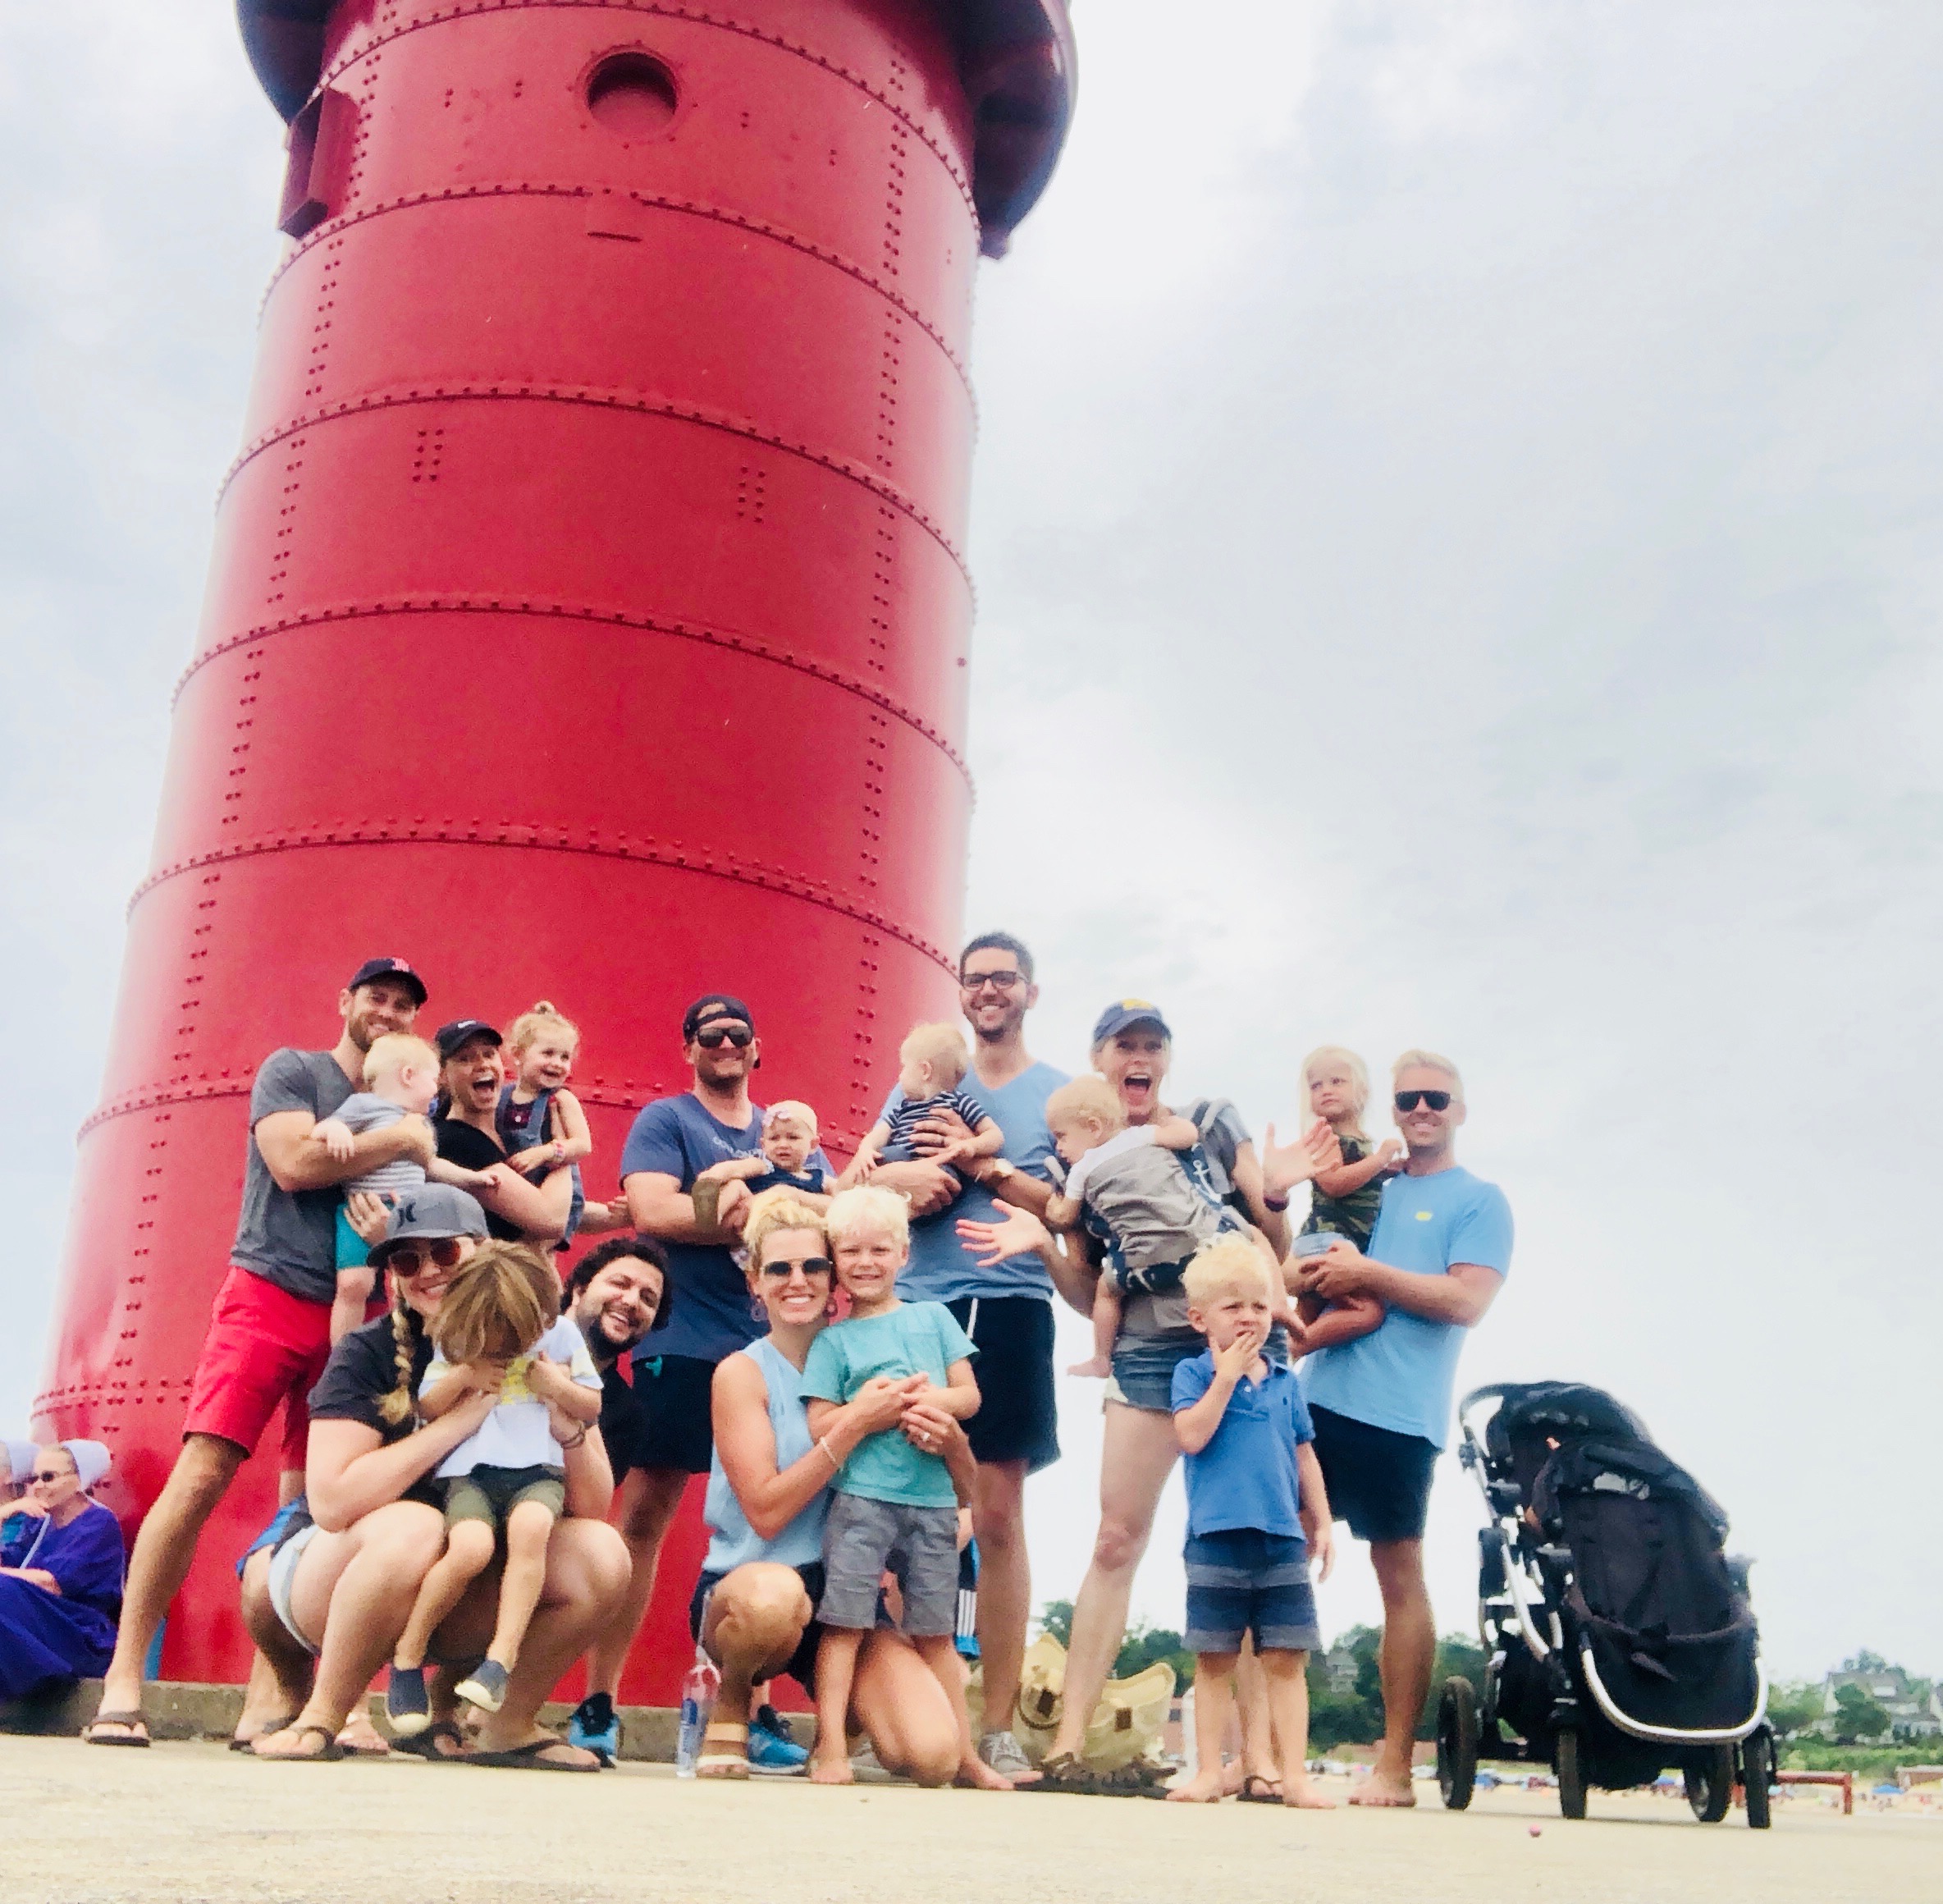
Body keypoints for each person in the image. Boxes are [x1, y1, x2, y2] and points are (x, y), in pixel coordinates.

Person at [957, 999, 1334, 1797]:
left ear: (1165, 1059)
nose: (1138, 1058)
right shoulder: (1077, 1160)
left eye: (1151, 1046)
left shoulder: (1205, 1121)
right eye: (1123, 1045)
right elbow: (1089, 1286)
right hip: (1142, 1355)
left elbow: (1272, 1247)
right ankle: (1062, 1747)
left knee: (1248, 1541)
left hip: (1235, 1346)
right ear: (1098, 1061)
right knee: (1114, 1541)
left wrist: (1277, 1198)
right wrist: (1042, 1244)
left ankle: (1259, 1763)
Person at [85, 956, 432, 1748]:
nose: (389, 1012)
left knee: (312, 1507)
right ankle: (124, 1678)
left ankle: (272, 1699)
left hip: (357, 1317)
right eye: (377, 997)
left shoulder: (411, 1098)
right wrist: (404, 1139)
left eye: (403, 1005)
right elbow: (294, 1162)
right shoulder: (296, 1070)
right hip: (267, 1293)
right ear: (345, 1001)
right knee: (202, 1471)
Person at [237, 1186, 626, 1767]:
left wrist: (560, 1410)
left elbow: (593, 1505)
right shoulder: (369, 1352)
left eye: (444, 1253)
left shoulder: (542, 1342)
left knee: (603, 1553)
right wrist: (458, 1419)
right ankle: (323, 1715)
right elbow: (333, 1503)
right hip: (333, 1579)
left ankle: (507, 1725)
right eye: (405, 1260)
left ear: (482, 1250)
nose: (427, 1272)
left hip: (455, 1583)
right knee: (417, 1526)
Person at [597, 995, 832, 1742]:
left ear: (757, 1049)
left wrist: (753, 1200)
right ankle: (600, 1700)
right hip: (684, 1339)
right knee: (643, 1515)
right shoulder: (667, 1121)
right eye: (710, 1035)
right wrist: (773, 1210)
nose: (725, 1044)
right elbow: (652, 1212)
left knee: (766, 1522)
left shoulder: (792, 1135)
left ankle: (751, 1709)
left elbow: (830, 1224)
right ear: (688, 1048)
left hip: (778, 1354)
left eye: (738, 1035)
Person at [871, 931, 1076, 1781]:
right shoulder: (917, 1078)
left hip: (1013, 1304)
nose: (988, 990)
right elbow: (859, 1181)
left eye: (1004, 978)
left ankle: (993, 1723)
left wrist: (991, 1171)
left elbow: (1071, 1205)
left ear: (1031, 990)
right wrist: (905, 1181)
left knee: (995, 1517)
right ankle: (896, 1717)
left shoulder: (1060, 1092)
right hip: (916, 1305)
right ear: (959, 991)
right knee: (890, 1511)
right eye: (975, 977)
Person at [686, 1192, 971, 1786]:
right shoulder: (741, 1372)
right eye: (779, 1269)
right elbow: (765, 1512)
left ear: (835, 1273)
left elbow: (962, 1491)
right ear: (755, 1283)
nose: (799, 1281)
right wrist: (854, 1425)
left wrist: (951, 1442)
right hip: (754, 1579)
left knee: (933, 1756)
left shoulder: (869, 1352)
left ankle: (847, 1725)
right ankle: (736, 1701)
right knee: (771, 1599)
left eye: (813, 1266)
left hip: (845, 1593)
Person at [1296, 1050, 1512, 1808]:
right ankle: (1264, 1757)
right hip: (1315, 1400)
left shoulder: (1481, 1200)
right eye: (1409, 1098)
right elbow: (1305, 1257)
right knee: (1271, 1560)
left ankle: (1393, 1765)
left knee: (1399, 1577)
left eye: (1437, 1099)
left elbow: (1465, 1302)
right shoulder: (1365, 1183)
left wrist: (1370, 1278)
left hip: (1401, 1417)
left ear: (1459, 1110)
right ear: (1391, 1109)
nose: (1423, 1109)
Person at [799, 1186, 997, 1789]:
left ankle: (965, 1755)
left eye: (879, 1250)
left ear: (904, 1254)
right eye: (851, 1251)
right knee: (845, 1626)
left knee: (937, 1634)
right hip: (862, 1500)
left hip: (934, 1503)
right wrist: (869, 1409)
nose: (865, 1263)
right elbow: (819, 1424)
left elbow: (969, 1396)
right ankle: (829, 1744)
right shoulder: (833, 1341)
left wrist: (925, 1401)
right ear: (835, 1258)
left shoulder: (933, 1320)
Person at [385, 1242, 603, 1734]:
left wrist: (554, 1385)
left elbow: (590, 1406)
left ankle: (498, 1663)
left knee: (531, 1531)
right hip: (474, 1471)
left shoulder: (561, 1335)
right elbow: (429, 1407)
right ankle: (408, 1655)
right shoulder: (458, 1337)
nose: (504, 1347)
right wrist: (465, 1373)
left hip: (537, 1469)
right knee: (469, 1548)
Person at [1164, 1238, 1334, 1808]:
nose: (1248, 1317)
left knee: (1286, 1659)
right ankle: (1210, 1770)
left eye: (1259, 1306)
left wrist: (1325, 1522)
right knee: (1213, 1658)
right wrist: (1226, 1378)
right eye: (1233, 1306)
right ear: (1200, 1318)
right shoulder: (1191, 1374)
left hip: (1282, 1538)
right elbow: (1190, 1435)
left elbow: (1304, 1454)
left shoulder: (1287, 1382)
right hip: (1215, 1537)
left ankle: (1296, 1776)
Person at [1041, 1075, 1285, 1381]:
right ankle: (1278, 1304)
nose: (1059, 1147)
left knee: (1107, 1292)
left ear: (1093, 1127)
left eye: (1062, 1136)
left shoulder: (1082, 1169)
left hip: (1145, 1265)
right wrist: (1170, 1124)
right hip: (1203, 1243)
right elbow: (1187, 1136)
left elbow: (1065, 1217)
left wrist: (1053, 1208)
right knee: (1253, 1237)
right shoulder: (1141, 1136)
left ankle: (1101, 1358)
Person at [552, 1236, 673, 1762]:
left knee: (603, 1554)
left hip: (542, 1536)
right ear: (578, 1288)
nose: (632, 1301)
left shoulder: (624, 1413)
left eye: (648, 1298)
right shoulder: (513, 1348)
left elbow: (585, 1505)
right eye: (619, 1284)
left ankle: (506, 1710)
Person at [313, 1031, 491, 1345]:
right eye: (434, 1078)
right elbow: (326, 1127)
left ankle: (406, 1344)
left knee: (408, 1282)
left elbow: (431, 1165)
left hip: (411, 1215)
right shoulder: (363, 1105)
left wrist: (471, 1178)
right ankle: (343, 1352)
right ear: (409, 1076)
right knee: (354, 1284)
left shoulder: (422, 1124)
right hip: (360, 1208)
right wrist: (336, 1130)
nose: (438, 1088)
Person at [431, 1018, 577, 1246]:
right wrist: (561, 1149)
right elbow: (551, 1220)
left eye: (489, 1054)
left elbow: (559, 1204)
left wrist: (618, 1216)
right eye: (465, 1059)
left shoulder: (505, 1127)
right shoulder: (455, 1139)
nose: (482, 1065)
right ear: (441, 1076)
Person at [0, 1441, 126, 1703]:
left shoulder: (99, 1524)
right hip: (46, 1622)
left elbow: (52, 1583)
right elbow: (7, 1563)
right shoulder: (38, 1523)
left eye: (48, 1477)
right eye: (34, 1478)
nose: (37, 1486)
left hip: (81, 1633)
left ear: (80, 1481)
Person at [839, 1023, 1004, 1193]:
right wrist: (866, 1149)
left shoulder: (959, 1103)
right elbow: (879, 1134)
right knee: (882, 1158)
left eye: (905, 1067)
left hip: (940, 1168)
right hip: (900, 1159)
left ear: (925, 1071)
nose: (900, 1076)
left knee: (943, 1176)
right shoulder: (903, 1106)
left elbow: (995, 1136)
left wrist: (972, 1146)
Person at [496, 1001, 593, 1245]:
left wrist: (546, 1152)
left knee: (541, 1255)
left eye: (565, 1057)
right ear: (518, 1054)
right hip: (515, 1195)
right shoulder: (502, 1098)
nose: (558, 1063)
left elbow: (583, 1145)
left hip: (553, 1197)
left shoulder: (560, 1098)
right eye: (548, 1053)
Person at [1297, 1046, 1403, 1253]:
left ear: (1362, 1091)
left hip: (1353, 1241)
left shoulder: (1360, 1140)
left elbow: (1356, 1180)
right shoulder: (1325, 1136)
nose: (1326, 1090)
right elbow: (1333, 1183)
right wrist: (1379, 1159)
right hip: (1326, 1238)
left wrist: (1382, 1173)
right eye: (1316, 1086)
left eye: (1336, 1082)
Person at [694, 1101, 833, 1206]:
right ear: (763, 1145)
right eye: (774, 1138)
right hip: (759, 1231)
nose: (783, 1145)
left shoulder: (817, 1177)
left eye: (793, 1137)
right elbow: (736, 1168)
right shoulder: (763, 1166)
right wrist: (713, 1176)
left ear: (813, 1145)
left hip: (798, 1232)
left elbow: (841, 1192)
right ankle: (711, 1214)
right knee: (735, 1186)